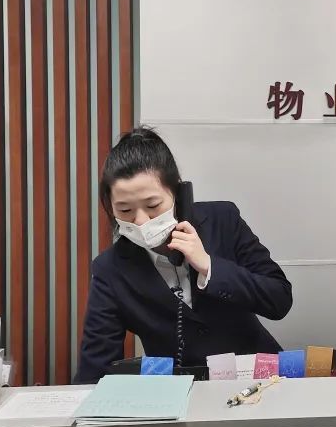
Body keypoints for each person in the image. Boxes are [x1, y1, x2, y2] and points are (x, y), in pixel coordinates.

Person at [74, 127, 293, 383]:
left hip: (257, 382)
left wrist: (209, 266)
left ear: (177, 193)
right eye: (125, 210)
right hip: (179, 393)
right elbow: (95, 367)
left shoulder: (222, 220)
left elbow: (279, 299)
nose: (141, 221)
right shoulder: (110, 270)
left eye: (153, 205)